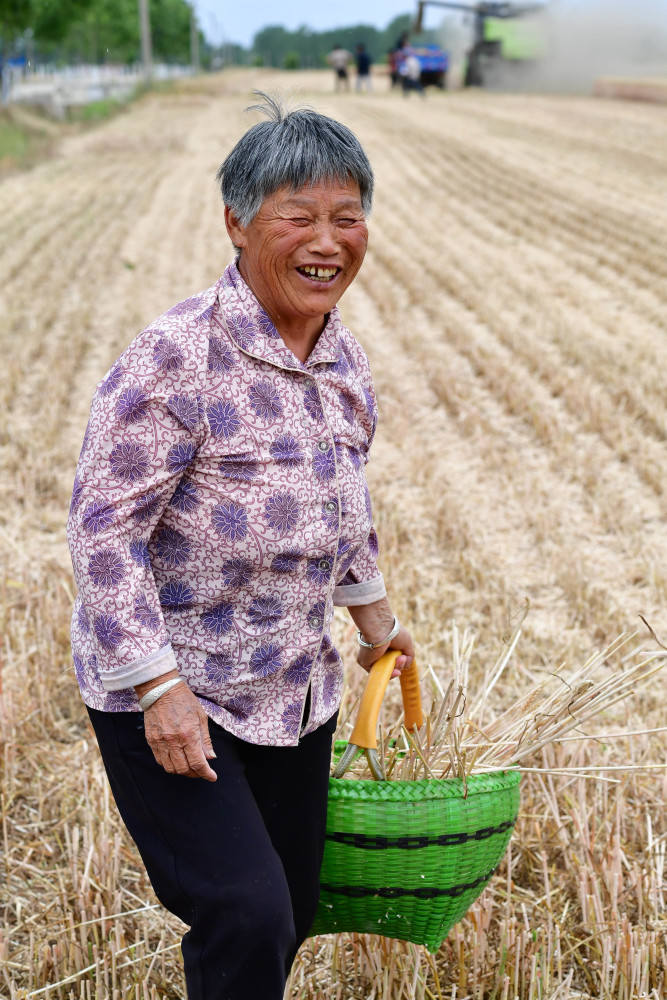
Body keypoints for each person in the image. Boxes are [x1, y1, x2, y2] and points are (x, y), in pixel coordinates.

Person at [67, 91, 414, 1000]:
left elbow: (344, 501)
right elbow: (104, 531)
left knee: (291, 909)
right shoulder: (175, 356)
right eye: (297, 216)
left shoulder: (342, 359)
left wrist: (376, 623)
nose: (327, 240)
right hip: (177, 695)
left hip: (294, 686)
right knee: (246, 911)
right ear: (236, 222)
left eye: (347, 217)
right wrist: (159, 687)